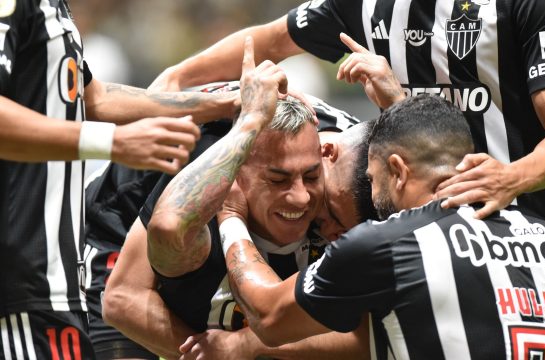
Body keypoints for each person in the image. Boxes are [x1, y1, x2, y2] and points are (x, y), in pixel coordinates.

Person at [151, 0, 545, 251]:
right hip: (426, 245)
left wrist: (509, 178)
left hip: (533, 237)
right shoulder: (361, 4)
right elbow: (270, 39)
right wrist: (174, 80)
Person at [217, 94, 545, 359]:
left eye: (373, 176)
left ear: (397, 170)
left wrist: (231, 216)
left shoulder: (388, 245)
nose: (373, 199)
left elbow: (267, 313)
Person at [103, 39, 376, 359]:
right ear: (237, 175)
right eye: (278, 179)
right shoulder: (211, 159)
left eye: (312, 177)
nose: (302, 197)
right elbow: (122, 297)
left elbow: (373, 335)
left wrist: (243, 347)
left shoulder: (368, 171)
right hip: (115, 221)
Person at [0, 1, 240, 358]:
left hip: (52, 278)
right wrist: (112, 142)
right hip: (17, 279)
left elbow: (94, 98)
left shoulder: (54, 7)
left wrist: (220, 102)